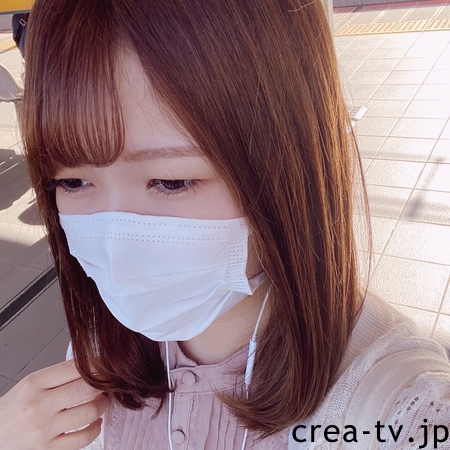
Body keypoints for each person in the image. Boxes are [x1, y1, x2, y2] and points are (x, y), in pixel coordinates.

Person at [2, 0, 450, 449]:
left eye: (172, 181)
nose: (115, 246)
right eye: (73, 181)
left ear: (286, 165)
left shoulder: (402, 410)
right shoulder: (100, 350)